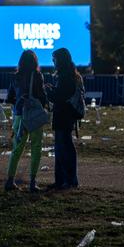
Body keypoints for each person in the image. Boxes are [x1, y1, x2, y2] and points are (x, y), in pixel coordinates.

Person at [4, 50, 48, 192]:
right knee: (36, 148)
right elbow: (42, 97)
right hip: (34, 116)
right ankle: (32, 182)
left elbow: (10, 98)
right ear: (35, 62)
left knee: (17, 149)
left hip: (19, 115)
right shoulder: (37, 76)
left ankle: (10, 180)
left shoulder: (15, 77)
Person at [47, 48, 82, 190]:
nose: (53, 62)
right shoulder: (69, 75)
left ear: (60, 60)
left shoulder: (65, 77)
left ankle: (68, 180)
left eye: (54, 59)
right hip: (66, 116)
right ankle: (62, 180)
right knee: (62, 148)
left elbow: (60, 97)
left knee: (63, 149)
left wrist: (49, 91)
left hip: (63, 116)